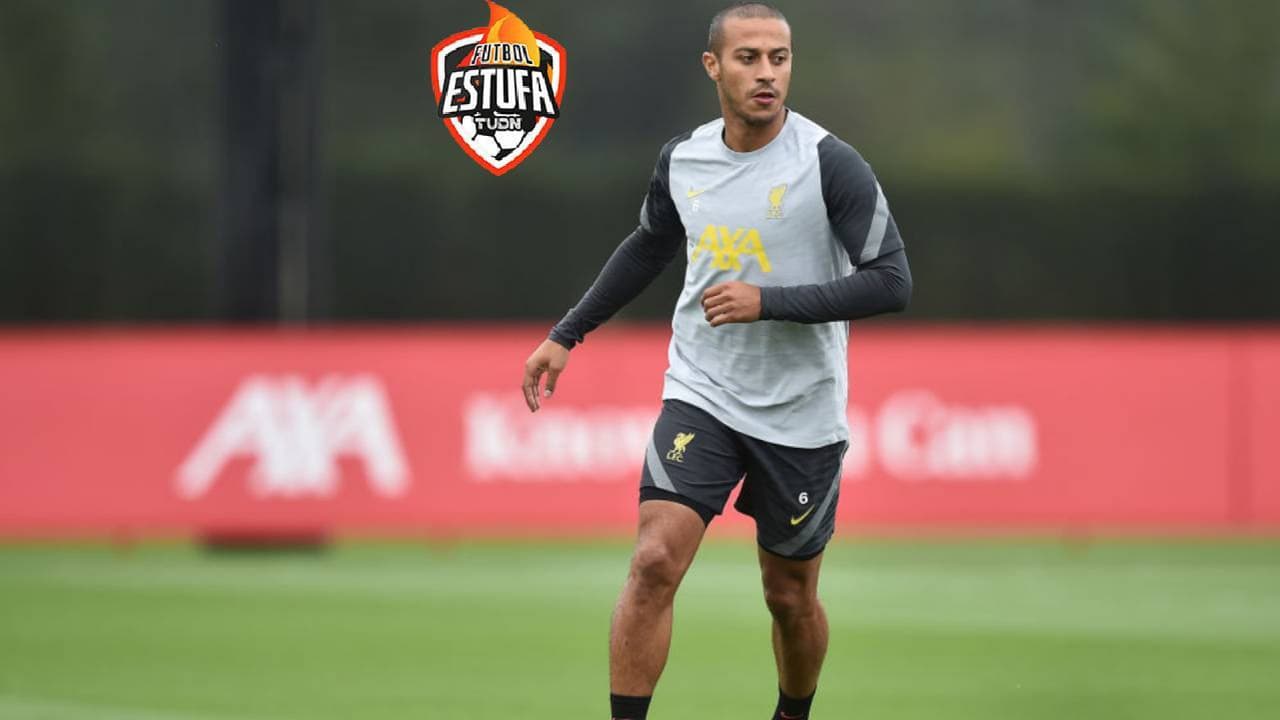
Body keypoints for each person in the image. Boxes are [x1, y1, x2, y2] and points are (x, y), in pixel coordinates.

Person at [520, 3, 911, 718]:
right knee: (653, 562)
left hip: (800, 413)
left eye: (779, 59)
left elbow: (891, 281)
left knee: (788, 596)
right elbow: (648, 247)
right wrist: (567, 333)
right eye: (748, 58)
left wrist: (769, 302)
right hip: (703, 391)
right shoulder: (684, 158)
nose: (766, 74)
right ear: (713, 66)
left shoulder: (830, 163)